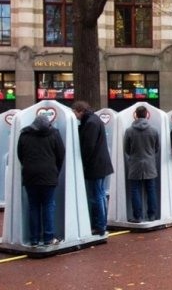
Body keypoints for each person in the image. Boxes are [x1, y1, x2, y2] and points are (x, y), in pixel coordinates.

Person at [17, 114, 65, 246]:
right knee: (48, 206)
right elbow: (61, 154)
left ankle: (34, 238)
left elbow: (20, 154)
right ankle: (48, 237)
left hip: (30, 175)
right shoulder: (54, 134)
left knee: (34, 207)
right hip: (49, 174)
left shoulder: (25, 134)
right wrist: (55, 170)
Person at [71, 101, 114, 236]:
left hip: (95, 165)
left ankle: (99, 225)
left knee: (96, 195)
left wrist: (82, 163)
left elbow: (88, 146)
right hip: (100, 163)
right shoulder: (94, 120)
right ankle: (101, 224)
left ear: (79, 111)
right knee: (100, 194)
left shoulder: (90, 123)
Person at [123, 105, 159, 223]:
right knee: (151, 190)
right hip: (150, 164)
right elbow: (156, 148)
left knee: (135, 190)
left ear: (136, 115)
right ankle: (152, 215)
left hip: (135, 163)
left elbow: (127, 149)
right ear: (146, 115)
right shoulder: (153, 130)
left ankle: (137, 216)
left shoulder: (129, 131)